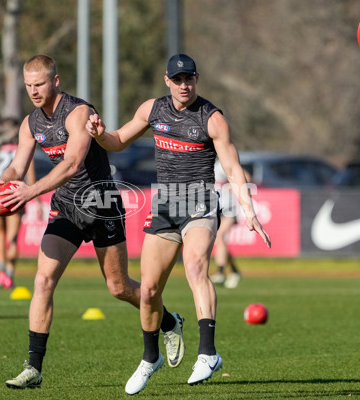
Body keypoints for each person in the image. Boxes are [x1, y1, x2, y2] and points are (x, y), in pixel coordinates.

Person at [0, 54, 185, 389]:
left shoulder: (78, 113)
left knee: (118, 287)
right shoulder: (30, 123)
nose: (34, 91)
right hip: (65, 207)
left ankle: (168, 321)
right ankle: (34, 368)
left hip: (101, 204)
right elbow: (17, 166)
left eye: (40, 84)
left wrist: (31, 192)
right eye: (28, 86)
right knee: (42, 280)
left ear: (56, 81)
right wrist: (3, 182)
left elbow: (73, 164)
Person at [86, 53, 271, 395]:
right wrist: (100, 135)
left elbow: (232, 167)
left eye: (190, 79)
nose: (184, 85)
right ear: (167, 81)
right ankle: (150, 358)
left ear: (196, 80)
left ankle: (208, 353)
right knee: (150, 290)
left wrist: (249, 210)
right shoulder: (152, 109)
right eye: (178, 79)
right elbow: (118, 140)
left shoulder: (212, 118)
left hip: (200, 201)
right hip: (166, 203)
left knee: (196, 269)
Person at [0, 117, 41, 289]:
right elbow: (31, 173)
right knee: (12, 238)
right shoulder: (24, 147)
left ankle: (0, 273)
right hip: (14, 193)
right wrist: (37, 200)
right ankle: (10, 273)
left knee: (0, 234)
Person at [209, 161, 251, 289]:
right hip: (214, 208)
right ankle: (234, 271)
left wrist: (237, 186)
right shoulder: (204, 163)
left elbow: (246, 176)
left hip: (228, 209)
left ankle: (220, 272)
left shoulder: (220, 164)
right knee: (219, 240)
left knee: (219, 236)